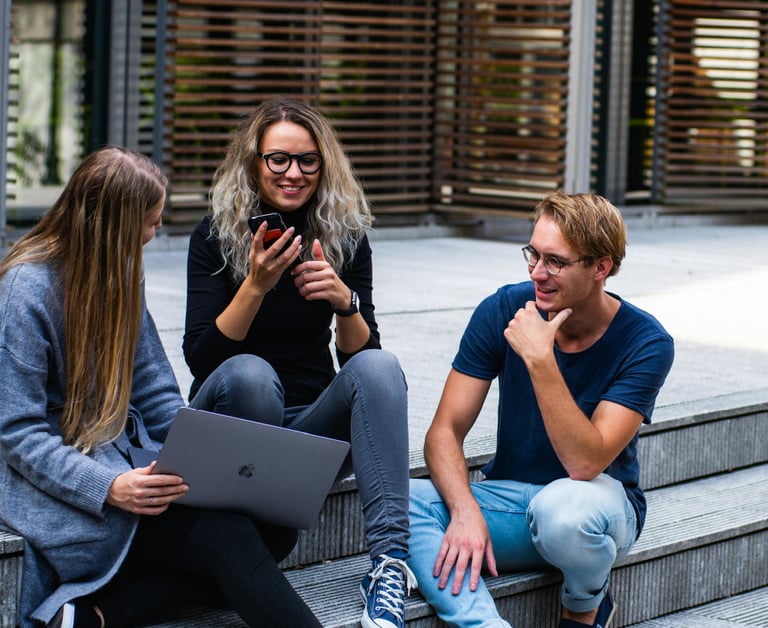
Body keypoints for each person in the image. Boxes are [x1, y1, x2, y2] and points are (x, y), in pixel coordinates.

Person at [0, 146, 323, 628]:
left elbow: (155, 389)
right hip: (65, 487)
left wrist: (199, 458)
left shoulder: (121, 271)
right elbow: (18, 432)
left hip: (130, 464)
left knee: (275, 532)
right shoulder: (25, 290)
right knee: (226, 537)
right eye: (150, 222)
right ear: (113, 225)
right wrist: (109, 487)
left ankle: (98, 616)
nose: (155, 232)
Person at [182, 97, 416, 628]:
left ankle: (388, 565)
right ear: (254, 163)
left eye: (308, 160)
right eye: (279, 159)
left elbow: (361, 360)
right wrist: (255, 285)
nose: (293, 173)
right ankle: (245, 541)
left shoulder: (343, 236)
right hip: (233, 424)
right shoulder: (214, 236)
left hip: (308, 431)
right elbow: (201, 359)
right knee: (252, 374)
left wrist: (344, 303)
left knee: (381, 367)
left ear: (324, 164)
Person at [407, 191, 675, 628]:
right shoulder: (503, 309)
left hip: (594, 511)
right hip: (512, 500)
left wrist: (540, 359)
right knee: (402, 501)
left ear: (600, 267)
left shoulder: (646, 342)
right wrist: (465, 511)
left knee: (562, 512)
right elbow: (444, 432)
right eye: (533, 254)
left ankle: (583, 607)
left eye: (555, 262)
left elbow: (585, 463)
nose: (536, 272)